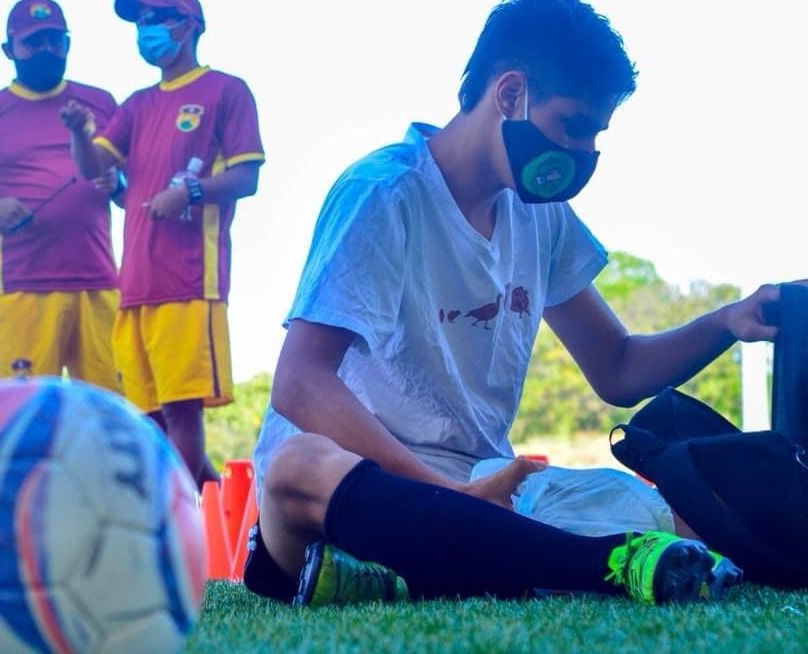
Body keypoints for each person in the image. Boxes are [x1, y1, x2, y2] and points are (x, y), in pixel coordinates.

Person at [244, 0, 765, 606]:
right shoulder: (384, 193)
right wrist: (444, 493)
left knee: (697, 522)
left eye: (596, 135)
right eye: (573, 126)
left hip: (487, 487)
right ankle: (599, 565)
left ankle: (419, 575)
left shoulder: (539, 216)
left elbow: (619, 368)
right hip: (358, 489)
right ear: (510, 93)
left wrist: (729, 321)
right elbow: (300, 383)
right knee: (296, 465)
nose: (583, 152)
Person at [61, 0, 265, 487]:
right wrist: (80, 134)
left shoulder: (226, 91)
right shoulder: (137, 105)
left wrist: (190, 191)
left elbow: (247, 176)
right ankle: (231, 531)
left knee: (180, 416)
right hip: (134, 286)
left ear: (188, 24)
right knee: (151, 421)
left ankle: (175, 529)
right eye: (140, 23)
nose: (145, 31)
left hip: (190, 278)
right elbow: (93, 169)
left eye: (154, 19)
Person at [0, 0, 123, 392]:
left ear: (69, 44)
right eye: (34, 42)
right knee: (26, 417)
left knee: (117, 413)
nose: (46, 50)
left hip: (101, 284)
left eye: (55, 41)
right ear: (9, 50)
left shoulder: (101, 103)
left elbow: (134, 190)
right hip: (23, 287)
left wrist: (116, 183)